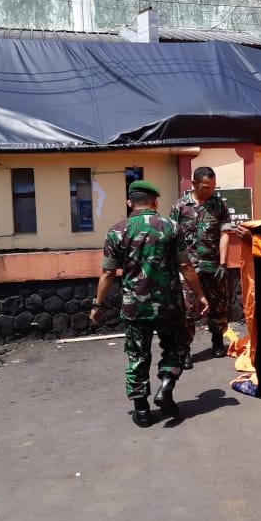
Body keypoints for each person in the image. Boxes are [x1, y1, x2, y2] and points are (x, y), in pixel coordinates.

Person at [90, 180, 207, 427]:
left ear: (129, 202)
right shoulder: (171, 227)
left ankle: (142, 411)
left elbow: (108, 273)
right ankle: (166, 385)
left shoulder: (117, 230)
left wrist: (98, 305)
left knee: (137, 356)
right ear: (155, 201)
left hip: (135, 306)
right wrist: (200, 295)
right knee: (174, 349)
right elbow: (186, 265)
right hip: (170, 305)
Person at [171, 166, 233, 367]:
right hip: (188, 270)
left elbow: (225, 234)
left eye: (213, 187)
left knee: (218, 306)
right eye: (206, 187)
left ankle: (217, 342)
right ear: (194, 184)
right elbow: (172, 239)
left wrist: (223, 263)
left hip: (213, 267)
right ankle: (185, 350)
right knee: (187, 310)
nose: (210, 190)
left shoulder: (219, 205)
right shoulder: (179, 207)